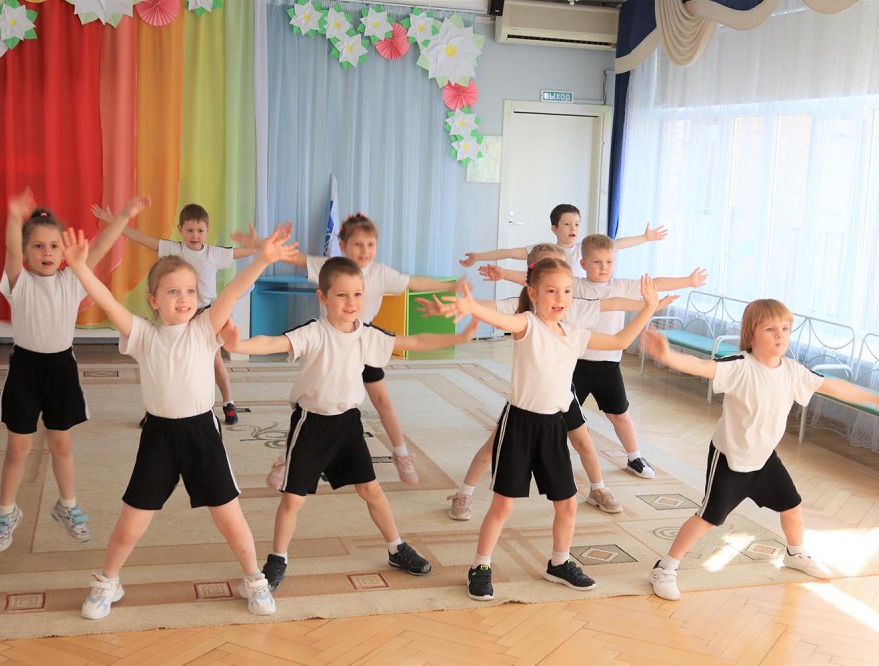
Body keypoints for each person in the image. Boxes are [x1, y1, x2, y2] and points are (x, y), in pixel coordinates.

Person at [63, 222, 299, 620]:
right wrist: (80, 268)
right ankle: (108, 581)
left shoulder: (205, 330)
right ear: (154, 300)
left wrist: (263, 259)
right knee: (132, 521)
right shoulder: (142, 335)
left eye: (190, 291)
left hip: (201, 434)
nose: (184, 298)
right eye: (173, 291)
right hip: (158, 436)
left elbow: (232, 291)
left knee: (230, 517)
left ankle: (253, 577)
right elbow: (108, 303)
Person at [220, 256, 479, 594]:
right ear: (323, 297)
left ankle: (396, 547)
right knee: (294, 499)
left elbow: (412, 342)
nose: (351, 302)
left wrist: (458, 339)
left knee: (371, 490)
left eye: (357, 294)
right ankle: (278, 558)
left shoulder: (367, 336)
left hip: (348, 426)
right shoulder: (314, 332)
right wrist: (237, 344)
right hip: (311, 426)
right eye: (342, 295)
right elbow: (273, 342)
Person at [639, 299, 879, 601]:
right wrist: (668, 356)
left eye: (785, 329)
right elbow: (703, 367)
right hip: (731, 459)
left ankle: (796, 553)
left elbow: (833, 387)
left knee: (791, 505)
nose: (780, 335)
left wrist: (877, 399)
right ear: (751, 335)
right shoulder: (739, 365)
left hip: (764, 459)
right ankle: (665, 567)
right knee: (709, 517)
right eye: (770, 329)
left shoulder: (793, 371)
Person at [444, 259, 659, 601]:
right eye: (552, 291)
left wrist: (648, 308)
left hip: (554, 426)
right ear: (533, 294)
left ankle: (559, 563)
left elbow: (620, 338)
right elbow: (501, 319)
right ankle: (480, 566)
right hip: (519, 425)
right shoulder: (526, 324)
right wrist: (472, 307)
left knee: (568, 504)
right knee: (503, 505)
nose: (560, 298)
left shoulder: (575, 334)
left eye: (567, 291)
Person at [419, 243, 677, 520]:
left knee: (584, 443)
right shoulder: (522, 311)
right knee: (493, 446)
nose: (559, 292)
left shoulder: (574, 305)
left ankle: (598, 488)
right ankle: (464, 492)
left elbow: (614, 308)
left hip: (562, 394)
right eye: (550, 282)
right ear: (533, 282)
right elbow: (488, 310)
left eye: (564, 283)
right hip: (528, 401)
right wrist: (460, 305)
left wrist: (650, 306)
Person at [0, 190, 150, 553]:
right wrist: (14, 217)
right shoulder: (18, 282)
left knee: (61, 443)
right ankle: (7, 512)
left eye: (53, 246)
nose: (46, 253)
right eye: (37, 247)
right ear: (26, 253)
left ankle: (67, 505)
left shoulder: (72, 280)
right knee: (18, 447)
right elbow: (10, 250)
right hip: (25, 370)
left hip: (61, 369)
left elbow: (101, 247)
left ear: (64, 251)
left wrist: (125, 215)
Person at [274, 213, 458, 485]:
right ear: (342, 245)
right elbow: (296, 258)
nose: (365, 251)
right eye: (358, 244)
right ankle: (285, 460)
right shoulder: (330, 267)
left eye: (370, 244)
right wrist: (265, 248)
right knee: (312, 408)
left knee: (383, 401)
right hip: (330, 346)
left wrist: (451, 286)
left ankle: (401, 453)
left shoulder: (380, 273)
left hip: (364, 343)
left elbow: (414, 283)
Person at [93, 202, 253, 426]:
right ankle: (153, 410)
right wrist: (116, 222)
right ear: (180, 230)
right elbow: (143, 239)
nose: (195, 235)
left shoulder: (214, 253)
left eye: (199, 230)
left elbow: (242, 252)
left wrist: (265, 248)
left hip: (204, 316)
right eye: (189, 230)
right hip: (175, 314)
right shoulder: (174, 249)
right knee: (163, 362)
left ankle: (228, 402)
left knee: (215, 362)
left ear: (207, 230)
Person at [572, 233, 708, 480]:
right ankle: (541, 453)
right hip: (575, 364)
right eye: (597, 262)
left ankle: (634, 457)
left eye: (609, 262)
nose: (603, 267)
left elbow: (654, 283)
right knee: (561, 415)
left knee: (619, 414)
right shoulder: (575, 286)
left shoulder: (621, 286)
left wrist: (688, 281)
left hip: (608, 366)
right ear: (583, 263)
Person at [458, 203, 667, 272]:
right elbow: (510, 252)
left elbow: (616, 244)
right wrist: (478, 256)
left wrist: (644, 238)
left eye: (576, 224)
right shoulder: (545, 250)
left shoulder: (585, 247)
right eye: (567, 224)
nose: (573, 228)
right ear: (554, 228)